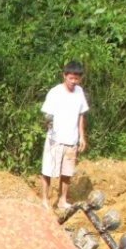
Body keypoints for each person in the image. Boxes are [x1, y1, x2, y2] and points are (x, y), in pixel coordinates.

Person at [40, 60, 89, 210]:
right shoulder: (55, 92)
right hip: (55, 139)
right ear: (64, 75)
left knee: (67, 172)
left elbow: (81, 115)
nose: (74, 81)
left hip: (71, 139)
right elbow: (47, 115)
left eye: (77, 78)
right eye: (71, 78)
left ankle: (62, 200)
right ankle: (45, 201)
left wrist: (82, 136)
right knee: (48, 170)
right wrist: (48, 123)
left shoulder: (79, 92)